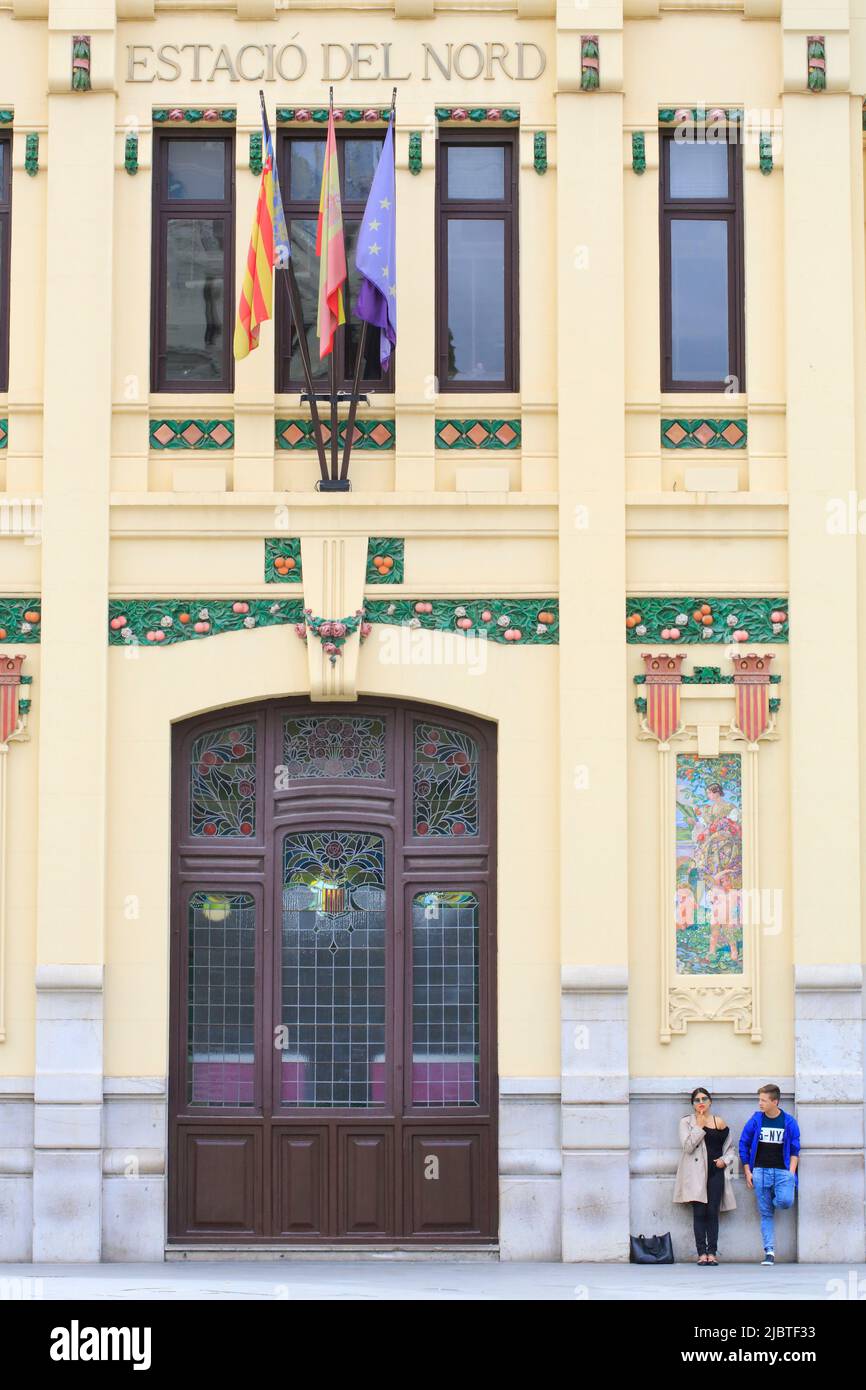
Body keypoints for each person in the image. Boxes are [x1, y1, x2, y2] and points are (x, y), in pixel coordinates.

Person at [738, 1083, 800, 1265]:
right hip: (760, 1172)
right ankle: (769, 1252)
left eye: (764, 1100)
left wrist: (791, 1174)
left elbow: (795, 1150)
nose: (760, 1103)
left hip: (782, 1172)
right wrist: (747, 1171)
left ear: (775, 1102)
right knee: (766, 1214)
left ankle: (772, 1203)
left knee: (786, 1201)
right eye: (760, 1100)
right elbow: (744, 1144)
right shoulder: (756, 1120)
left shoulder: (789, 1122)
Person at [673, 1086, 736, 1264]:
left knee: (713, 1212)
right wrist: (699, 1127)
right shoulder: (686, 1122)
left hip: (716, 1172)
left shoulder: (718, 1121)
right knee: (699, 1212)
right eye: (697, 1100)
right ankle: (702, 1253)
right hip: (695, 1174)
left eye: (704, 1099)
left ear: (710, 1102)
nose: (701, 1103)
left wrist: (725, 1160)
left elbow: (730, 1148)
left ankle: (712, 1253)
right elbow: (687, 1147)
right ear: (693, 1104)